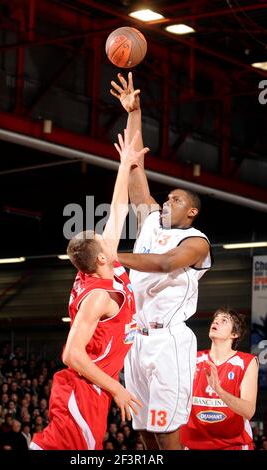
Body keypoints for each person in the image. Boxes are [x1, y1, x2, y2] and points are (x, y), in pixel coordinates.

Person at [110, 72, 212, 450]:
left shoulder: (196, 242)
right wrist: (134, 113)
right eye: (167, 197)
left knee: (167, 431)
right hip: (135, 337)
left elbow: (167, 263)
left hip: (169, 341)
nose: (168, 201)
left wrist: (113, 256)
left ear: (192, 213)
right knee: (143, 430)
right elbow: (135, 166)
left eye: (178, 200)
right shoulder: (151, 220)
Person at [30, 129, 148, 450]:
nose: (108, 236)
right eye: (101, 238)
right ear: (100, 257)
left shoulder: (101, 263)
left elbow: (118, 209)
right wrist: (117, 389)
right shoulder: (97, 296)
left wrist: (125, 165)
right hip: (81, 390)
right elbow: (71, 354)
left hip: (93, 393)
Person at [180, 307, 258, 450]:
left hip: (234, 445)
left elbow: (249, 411)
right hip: (194, 444)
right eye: (215, 319)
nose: (216, 322)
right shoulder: (193, 359)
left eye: (224, 321)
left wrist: (219, 390)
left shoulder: (246, 362)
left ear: (234, 334)